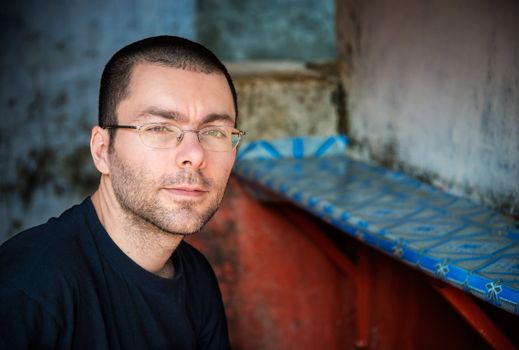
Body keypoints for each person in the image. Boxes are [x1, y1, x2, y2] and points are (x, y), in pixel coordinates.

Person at [0, 35, 245, 349]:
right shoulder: (28, 291)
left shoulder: (196, 278)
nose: (195, 154)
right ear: (102, 150)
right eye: (159, 128)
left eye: (215, 132)